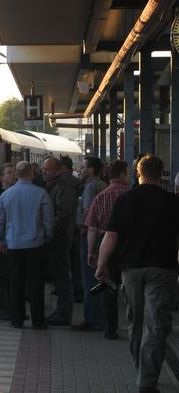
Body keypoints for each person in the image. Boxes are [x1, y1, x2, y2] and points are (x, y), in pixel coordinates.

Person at [96, 154, 179, 393]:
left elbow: (110, 236)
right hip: (162, 270)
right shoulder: (172, 201)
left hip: (130, 270)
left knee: (136, 322)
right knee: (156, 326)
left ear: (138, 173)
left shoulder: (125, 200)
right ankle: (147, 380)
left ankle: (140, 368)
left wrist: (101, 266)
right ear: (161, 174)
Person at [0, 161, 54, 329]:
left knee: (15, 283)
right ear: (31, 174)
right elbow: (49, 220)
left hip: (13, 245)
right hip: (36, 244)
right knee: (36, 283)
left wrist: (2, 240)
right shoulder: (41, 194)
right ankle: (38, 320)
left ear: (17, 175)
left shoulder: (6, 195)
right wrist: (47, 237)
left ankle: (17, 320)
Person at [85, 159, 129, 340]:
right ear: (121, 175)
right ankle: (135, 323)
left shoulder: (100, 197)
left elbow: (92, 228)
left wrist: (90, 252)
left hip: (106, 246)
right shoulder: (131, 194)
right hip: (129, 245)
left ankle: (110, 328)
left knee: (109, 287)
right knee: (131, 287)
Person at [73, 156, 107, 331]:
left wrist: (84, 233)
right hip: (101, 236)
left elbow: (87, 213)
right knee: (99, 278)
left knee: (89, 280)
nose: (80, 168)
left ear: (91, 170)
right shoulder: (101, 185)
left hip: (89, 237)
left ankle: (92, 319)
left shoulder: (91, 187)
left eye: (83, 166)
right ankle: (100, 317)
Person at [42, 157, 77, 326]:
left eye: (47, 169)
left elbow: (62, 216)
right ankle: (61, 312)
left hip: (59, 239)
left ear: (58, 171)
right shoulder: (55, 186)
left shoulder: (62, 188)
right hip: (57, 238)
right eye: (43, 169)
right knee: (59, 277)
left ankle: (63, 314)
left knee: (62, 277)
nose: (43, 172)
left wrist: (50, 233)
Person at [0, 163, 16, 319]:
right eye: (9, 173)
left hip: (14, 240)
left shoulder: (14, 193)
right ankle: (2, 309)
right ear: (1, 177)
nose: (12, 175)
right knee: (1, 276)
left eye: (14, 172)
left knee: (12, 276)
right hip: (2, 241)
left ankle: (11, 308)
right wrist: (2, 240)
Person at [60, 155, 83, 303]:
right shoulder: (79, 183)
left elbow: (63, 211)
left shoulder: (62, 183)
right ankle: (77, 290)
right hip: (77, 228)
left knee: (64, 265)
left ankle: (68, 294)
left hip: (66, 230)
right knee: (76, 263)